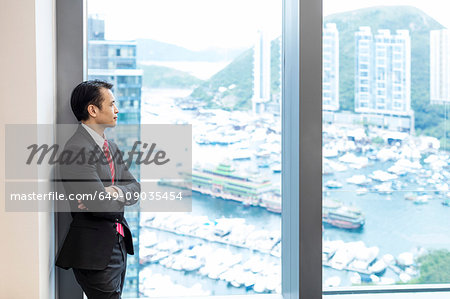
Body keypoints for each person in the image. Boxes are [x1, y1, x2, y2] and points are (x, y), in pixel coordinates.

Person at [55, 80, 140, 299]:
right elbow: (100, 205)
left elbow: (135, 188)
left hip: (118, 243)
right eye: (111, 104)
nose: (117, 110)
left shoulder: (109, 146)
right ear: (93, 110)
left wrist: (114, 192)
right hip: (95, 253)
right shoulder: (75, 150)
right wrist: (107, 196)